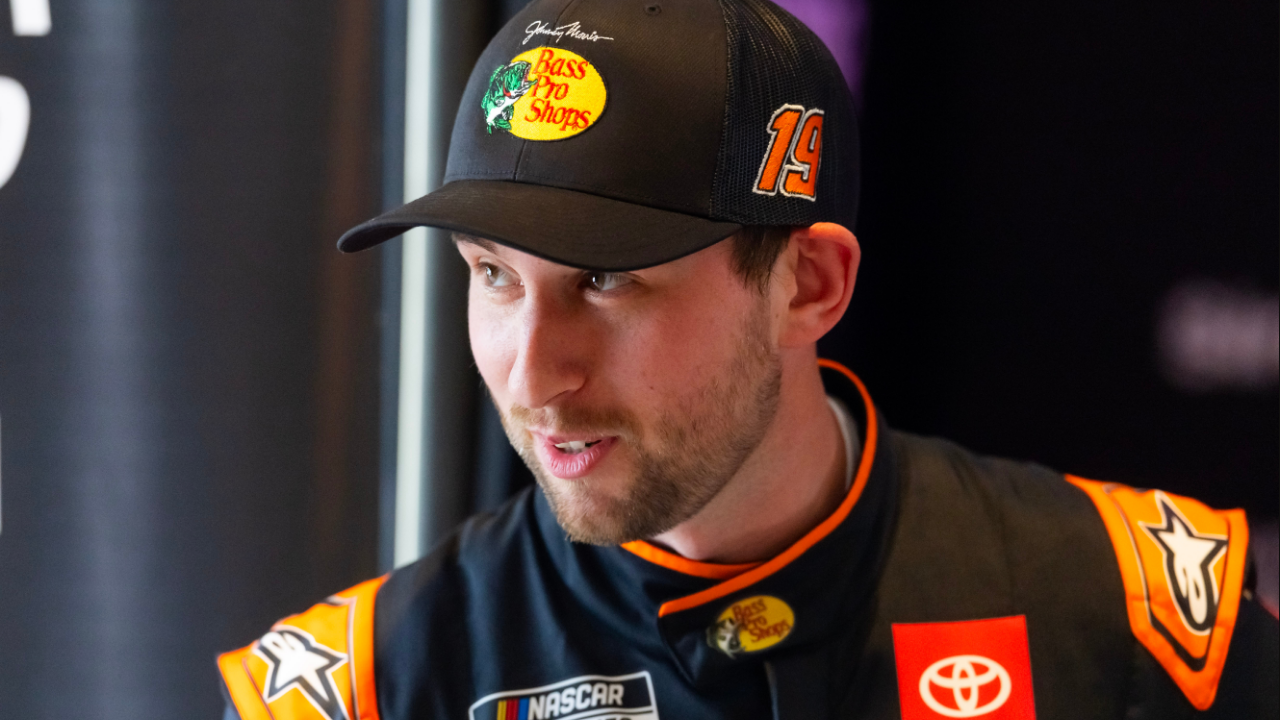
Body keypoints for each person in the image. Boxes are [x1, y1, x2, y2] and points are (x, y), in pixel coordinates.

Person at [218, 0, 1279, 718]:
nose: (532, 376)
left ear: (808, 284)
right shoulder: (357, 687)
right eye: (492, 275)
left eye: (604, 280)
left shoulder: (1136, 621)